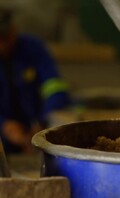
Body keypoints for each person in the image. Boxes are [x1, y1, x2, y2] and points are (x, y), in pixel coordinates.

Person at [0, 8, 70, 154]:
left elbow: (55, 87)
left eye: (5, 38)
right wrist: (4, 125)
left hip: (36, 133)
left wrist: (43, 122)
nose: (2, 45)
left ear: (14, 30)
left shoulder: (33, 48)